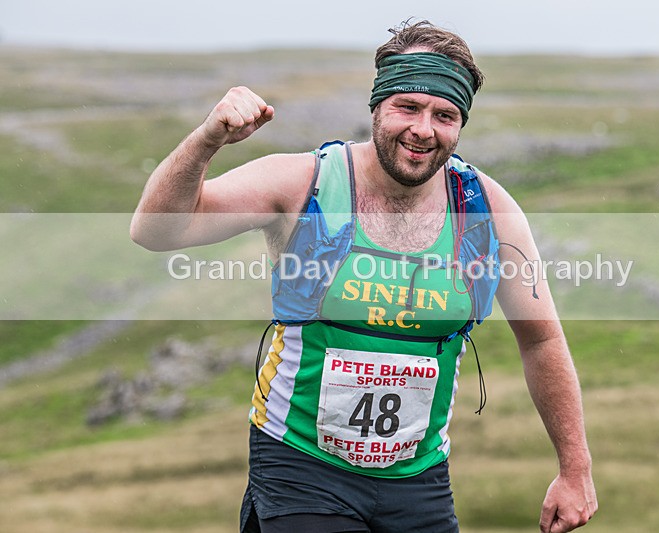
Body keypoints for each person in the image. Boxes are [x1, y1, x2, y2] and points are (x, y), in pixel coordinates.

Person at [130, 19, 597, 533]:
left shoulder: (485, 211)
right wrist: (206, 140)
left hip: (419, 478)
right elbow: (155, 232)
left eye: (445, 114)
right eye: (408, 107)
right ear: (376, 105)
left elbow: (542, 340)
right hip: (301, 467)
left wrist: (574, 469)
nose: (424, 129)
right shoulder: (305, 183)